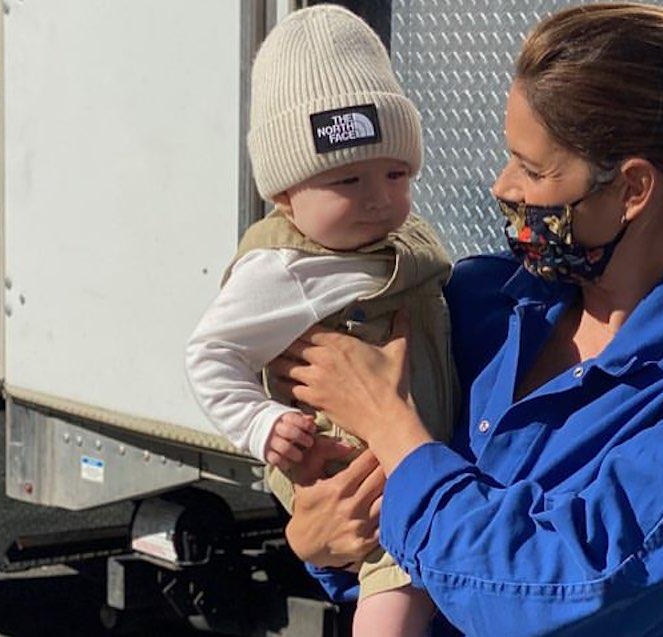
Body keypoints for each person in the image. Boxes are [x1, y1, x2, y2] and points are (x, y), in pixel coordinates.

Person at [269, 3, 663, 635]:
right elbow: (389, 552)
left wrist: (391, 425)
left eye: (533, 169)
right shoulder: (478, 302)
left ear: (633, 189)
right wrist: (318, 537)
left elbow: (561, 596)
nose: (503, 187)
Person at [183, 6, 456, 636]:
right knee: (397, 593)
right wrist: (261, 421)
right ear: (285, 194)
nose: (378, 197)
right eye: (347, 179)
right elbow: (211, 354)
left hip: (418, 456)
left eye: (396, 173)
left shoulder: (395, 241)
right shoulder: (283, 269)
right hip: (356, 472)